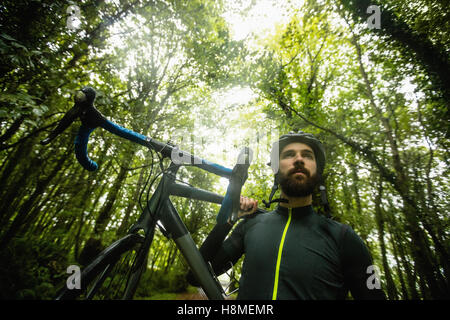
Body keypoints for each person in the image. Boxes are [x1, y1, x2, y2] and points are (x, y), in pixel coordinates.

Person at [188, 132, 386, 300]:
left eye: (307, 155)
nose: (298, 159)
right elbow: (196, 277)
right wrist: (229, 219)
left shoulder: (344, 237)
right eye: (289, 154)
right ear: (276, 169)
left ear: (317, 170)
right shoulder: (251, 224)